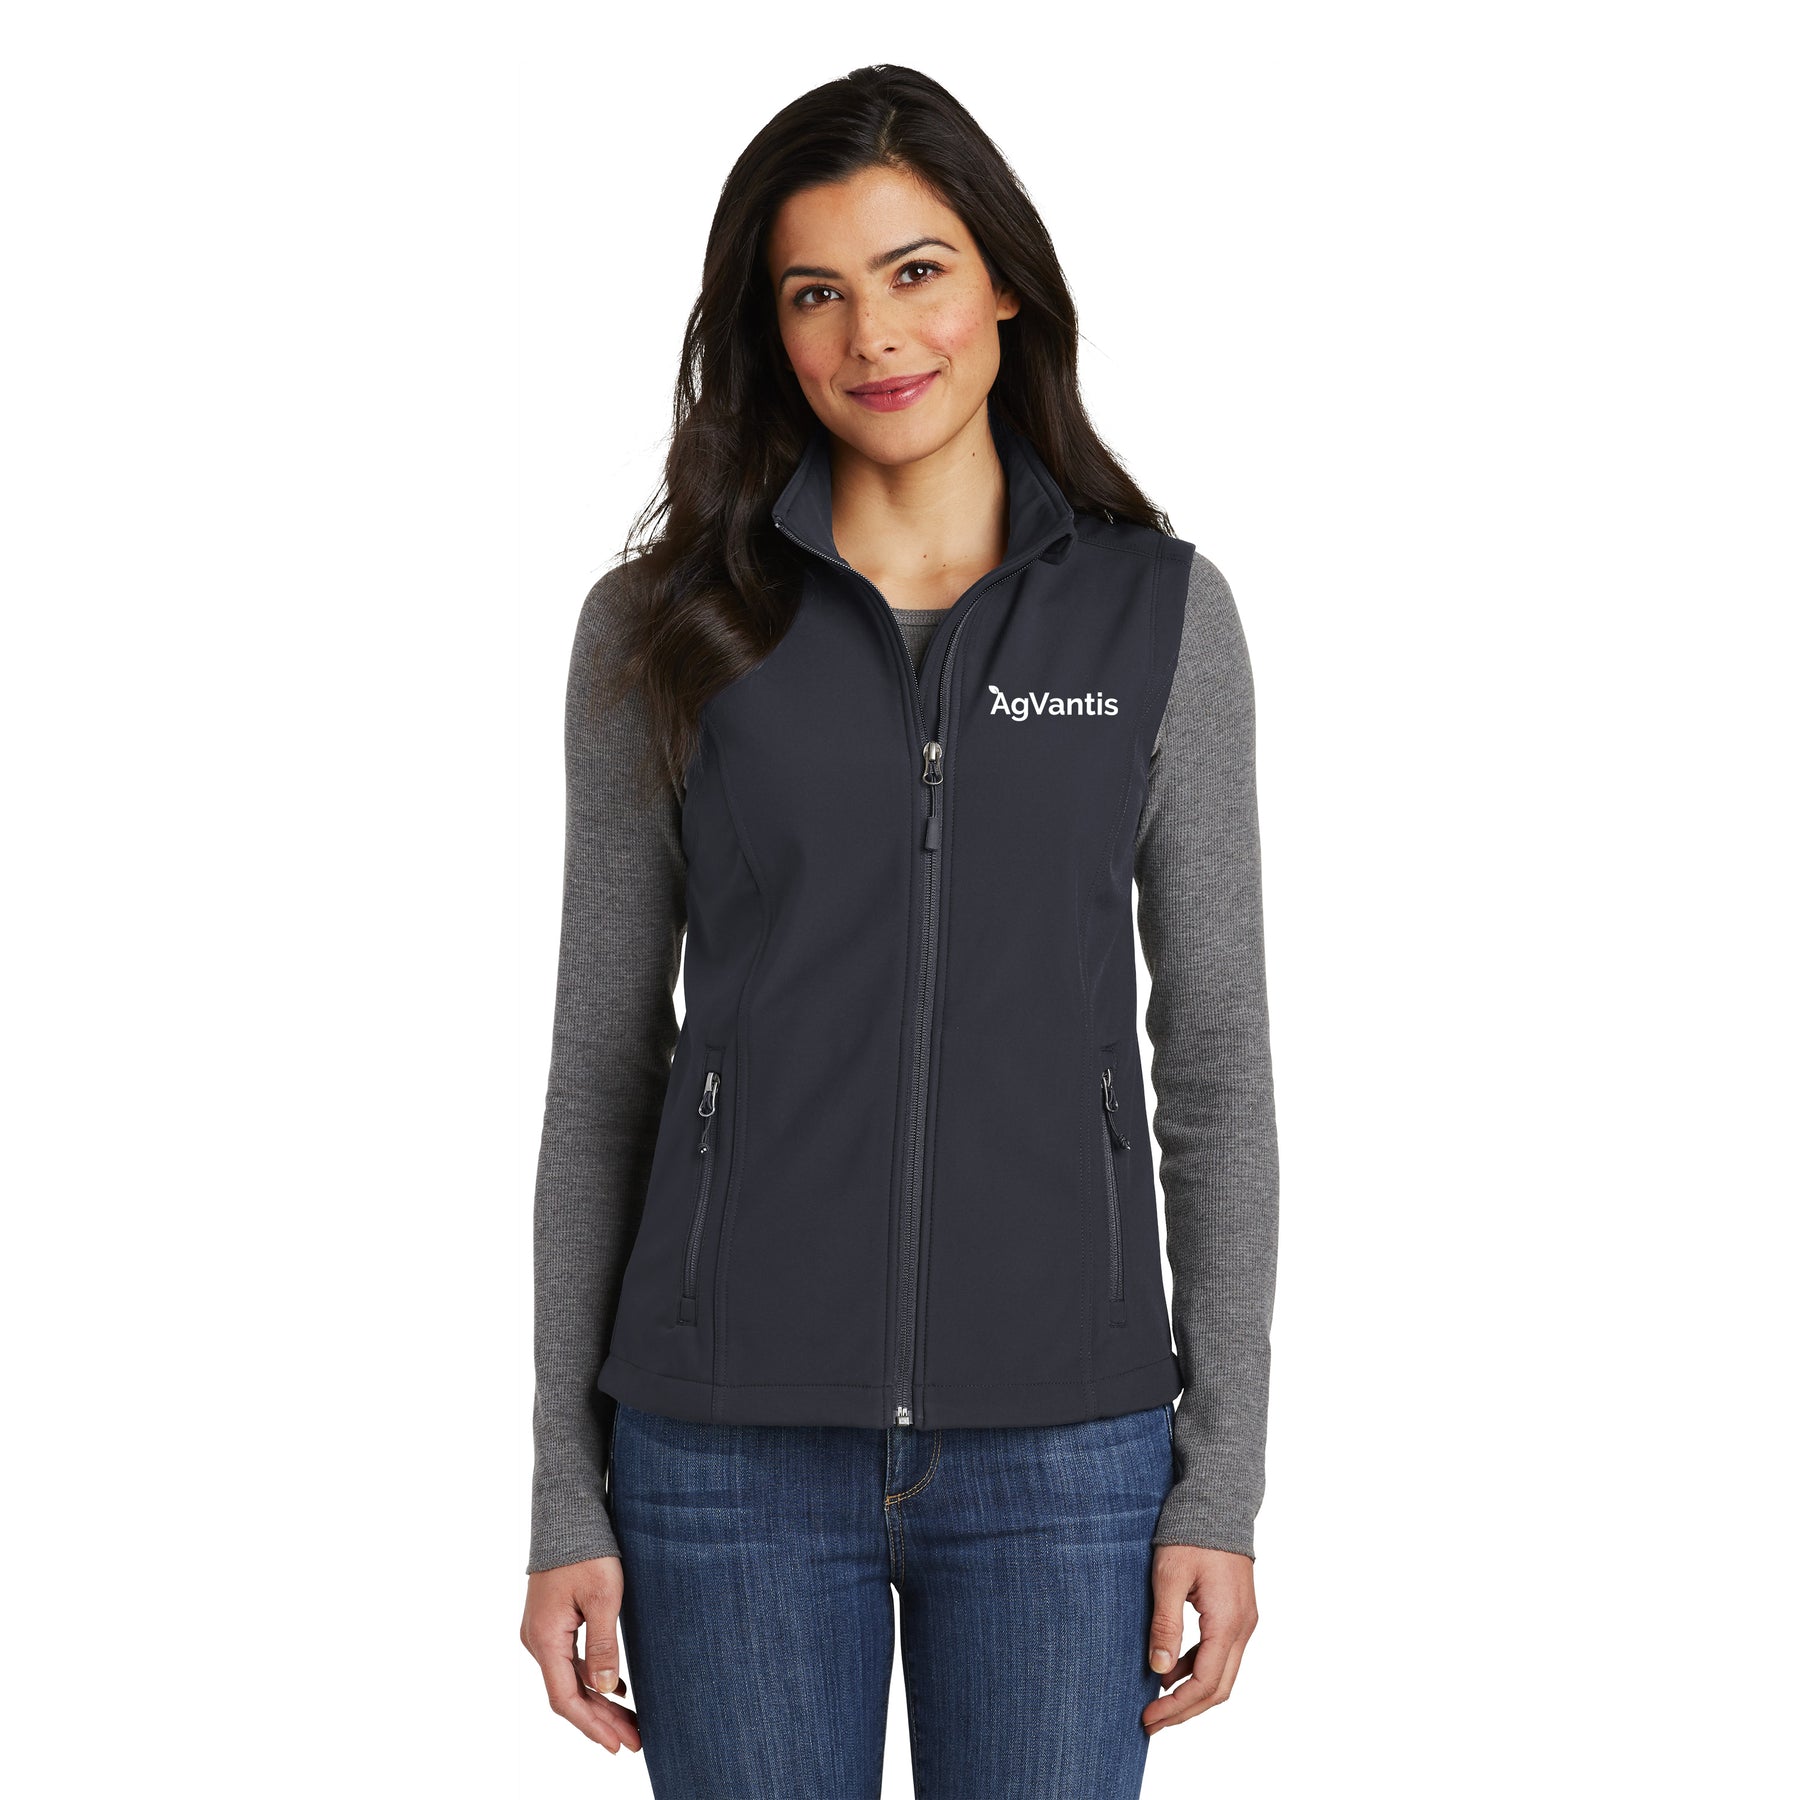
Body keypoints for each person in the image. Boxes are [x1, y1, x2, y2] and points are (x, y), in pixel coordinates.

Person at [518, 64, 1280, 1800]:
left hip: (1068, 1456)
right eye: (815, 292)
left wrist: (1218, 1481)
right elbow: (602, 1067)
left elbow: (1218, 1068)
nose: (875, 334)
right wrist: (568, 1489)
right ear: (767, 330)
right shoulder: (663, 628)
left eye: (916, 270)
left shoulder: (1158, 618)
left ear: (1004, 280)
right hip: (722, 1456)